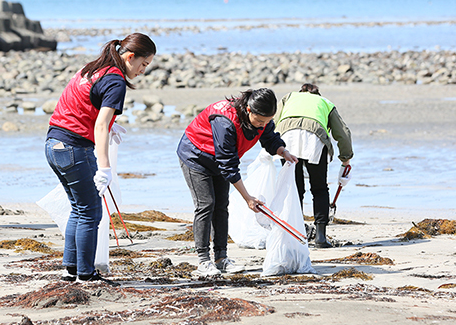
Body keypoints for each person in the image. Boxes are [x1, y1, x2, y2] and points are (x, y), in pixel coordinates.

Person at [46, 33, 156, 284]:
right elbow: (101, 126)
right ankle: (86, 275)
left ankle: (71, 268)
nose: (143, 71)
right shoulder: (115, 81)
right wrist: (104, 168)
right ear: (130, 57)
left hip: (53, 144)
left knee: (80, 207)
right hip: (74, 148)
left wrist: (107, 126)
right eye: (144, 64)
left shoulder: (94, 68)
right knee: (91, 212)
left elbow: (82, 105)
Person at [177, 88, 298, 276]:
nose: (262, 125)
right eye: (259, 121)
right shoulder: (225, 121)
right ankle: (203, 261)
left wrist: (283, 151)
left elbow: (270, 137)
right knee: (206, 204)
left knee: (221, 206)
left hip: (219, 160)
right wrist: (248, 198)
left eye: (266, 121)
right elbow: (229, 165)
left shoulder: (262, 118)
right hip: (196, 156)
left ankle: (221, 258)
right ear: (249, 110)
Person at [273, 83, 353, 248]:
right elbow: (343, 133)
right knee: (319, 188)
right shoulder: (325, 103)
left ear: (300, 92)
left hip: (287, 137)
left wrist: (270, 146)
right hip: (315, 139)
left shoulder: (289, 98)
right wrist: (346, 160)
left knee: (294, 189)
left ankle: (295, 234)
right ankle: (321, 238)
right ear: (317, 94)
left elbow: (273, 120)